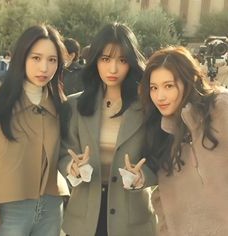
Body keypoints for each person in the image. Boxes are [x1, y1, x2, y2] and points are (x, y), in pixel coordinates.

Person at [59, 22, 157, 236]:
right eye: (105, 59)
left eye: (122, 60)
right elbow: (63, 152)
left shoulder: (148, 108)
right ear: (95, 61)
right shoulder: (75, 106)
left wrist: (143, 177)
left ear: (131, 62)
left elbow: (160, 158)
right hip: (83, 219)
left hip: (132, 220)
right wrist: (71, 167)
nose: (113, 69)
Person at [0, 24, 71, 236]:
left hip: (51, 208)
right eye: (36, 58)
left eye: (52, 60)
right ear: (21, 58)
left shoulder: (61, 106)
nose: (44, 68)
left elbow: (65, 152)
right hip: (7, 209)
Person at [140, 46, 228, 236]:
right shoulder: (160, 134)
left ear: (189, 81)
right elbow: (163, 205)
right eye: (154, 88)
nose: (159, 96)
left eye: (168, 86)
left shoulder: (221, 108)